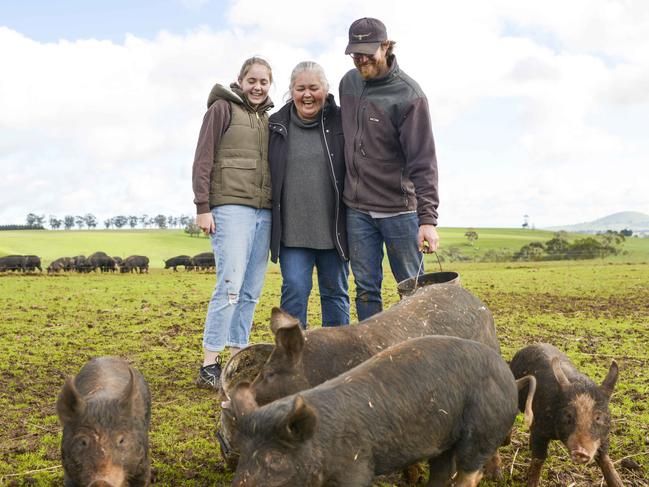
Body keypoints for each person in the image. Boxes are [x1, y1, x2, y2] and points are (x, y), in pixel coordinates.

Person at [339, 17, 440, 321]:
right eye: (355, 53)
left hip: (400, 211)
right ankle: (373, 354)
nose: (361, 59)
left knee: (411, 289)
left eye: (368, 52)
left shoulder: (409, 96)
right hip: (357, 210)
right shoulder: (349, 83)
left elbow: (423, 161)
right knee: (366, 289)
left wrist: (428, 219)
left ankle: (418, 352)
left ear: (385, 46)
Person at [191, 57, 274, 389]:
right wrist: (202, 206)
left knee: (251, 290)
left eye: (264, 82)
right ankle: (210, 363)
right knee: (230, 287)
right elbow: (203, 156)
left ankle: (239, 358)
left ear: (270, 85)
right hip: (229, 208)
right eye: (251, 80)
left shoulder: (271, 118)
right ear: (240, 80)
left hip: (263, 211)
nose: (257, 87)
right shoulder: (222, 109)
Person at [268, 61, 349, 328]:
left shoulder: (341, 121)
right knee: (294, 293)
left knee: (335, 294)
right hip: (293, 234)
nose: (307, 95)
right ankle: (291, 361)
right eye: (300, 88)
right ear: (291, 90)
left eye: (313, 88)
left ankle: (338, 357)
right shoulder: (275, 126)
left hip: (333, 231)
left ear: (325, 89)